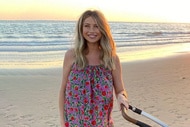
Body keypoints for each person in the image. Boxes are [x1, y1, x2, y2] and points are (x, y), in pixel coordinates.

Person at [59, 9, 129, 127]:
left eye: (96, 26)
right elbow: (63, 91)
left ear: (103, 29)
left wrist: (122, 97)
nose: (91, 31)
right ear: (81, 29)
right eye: (87, 26)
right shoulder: (71, 56)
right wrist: (62, 121)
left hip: (102, 123)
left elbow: (120, 90)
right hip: (74, 123)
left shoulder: (111, 59)